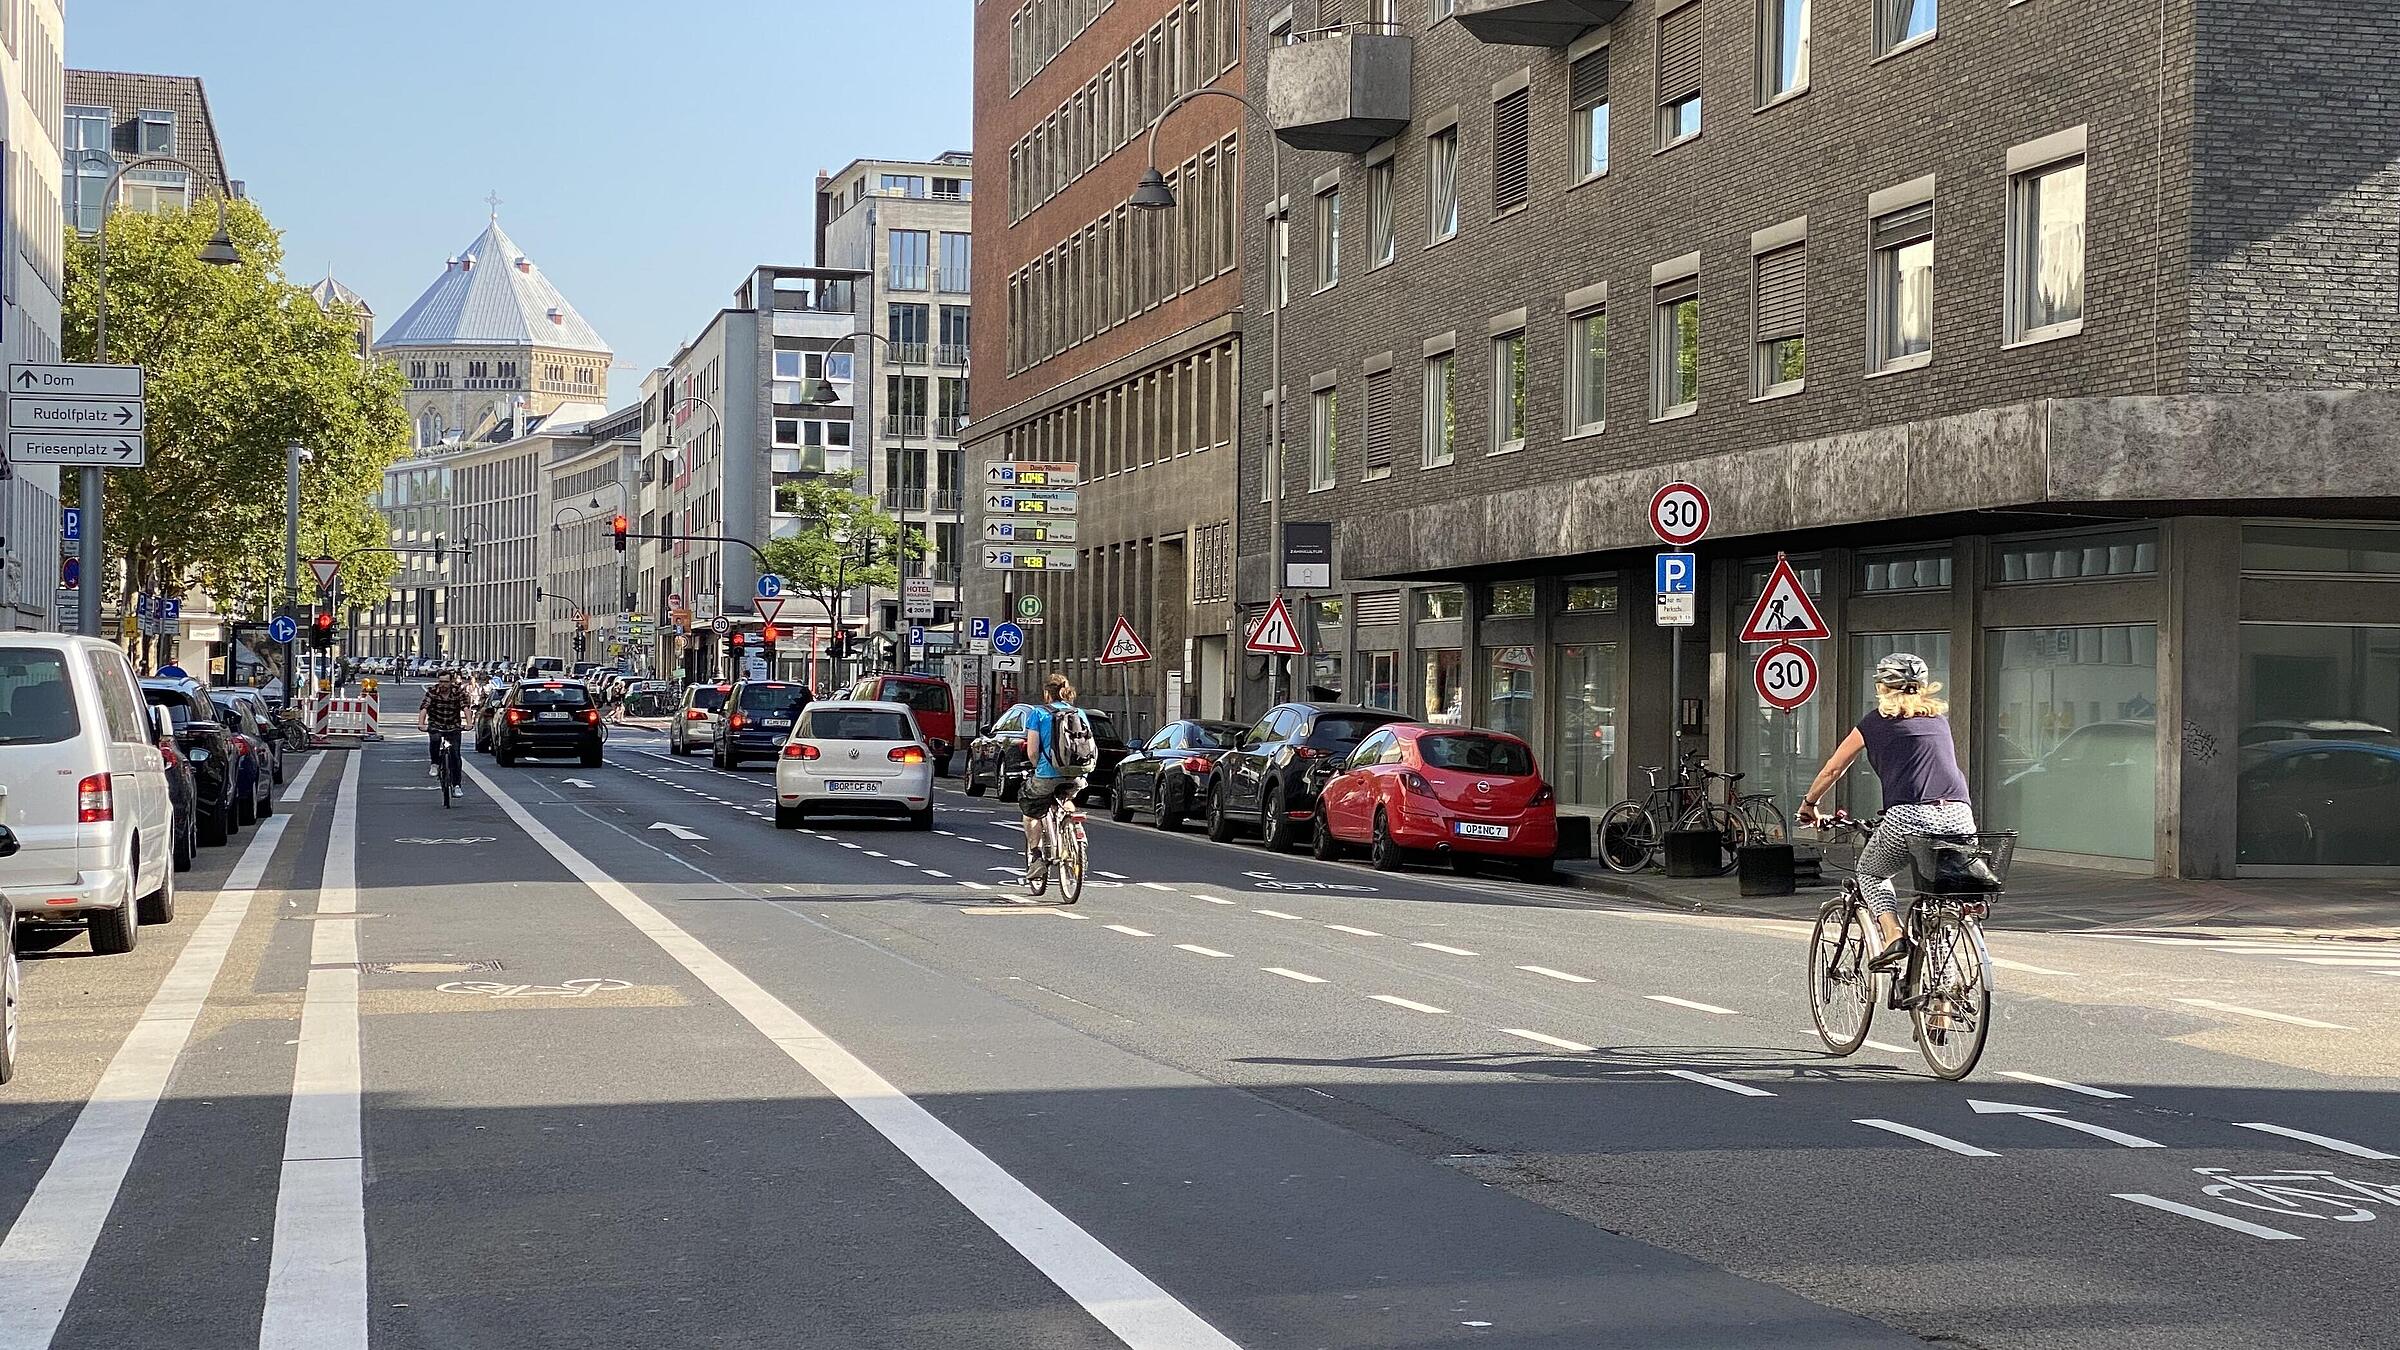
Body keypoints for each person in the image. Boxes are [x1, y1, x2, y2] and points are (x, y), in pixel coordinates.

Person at [1795, 653, 1974, 970]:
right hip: (1960, 817)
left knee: (1871, 872)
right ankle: (1944, 1007)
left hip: (1909, 816)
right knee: (1941, 900)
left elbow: (1833, 770)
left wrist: (1809, 804)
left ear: (1881, 686)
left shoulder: (1875, 723)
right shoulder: (1938, 721)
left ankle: (1893, 935)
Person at [1017, 673, 1085, 893]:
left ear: (1046, 692)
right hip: (1076, 773)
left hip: (1047, 774)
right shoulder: (1079, 712)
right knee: (1066, 797)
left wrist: (1037, 767)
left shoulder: (1038, 713)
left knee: (1031, 810)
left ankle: (1036, 857)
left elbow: (1033, 750)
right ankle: (1074, 830)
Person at [418, 667, 470, 796]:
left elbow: (466, 708)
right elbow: (424, 708)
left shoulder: (458, 692)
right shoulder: (432, 691)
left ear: (451, 682)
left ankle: (456, 785)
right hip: (436, 724)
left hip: (453, 726)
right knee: (435, 739)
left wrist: (469, 723)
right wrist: (421, 723)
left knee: (456, 756)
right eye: (441, 681)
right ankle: (435, 763)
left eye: (446, 682)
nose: (443, 684)